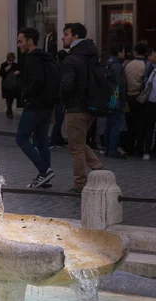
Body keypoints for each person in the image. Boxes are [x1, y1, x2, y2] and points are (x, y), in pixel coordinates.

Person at [60, 22, 104, 193]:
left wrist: (65, 101)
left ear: (75, 37)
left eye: (66, 34)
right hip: (90, 106)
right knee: (78, 142)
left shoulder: (72, 58)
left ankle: (80, 184)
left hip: (76, 107)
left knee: (76, 147)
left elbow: (67, 85)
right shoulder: (90, 54)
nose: (63, 37)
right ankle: (101, 169)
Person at [16, 27, 56, 189]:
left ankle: (45, 169)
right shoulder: (45, 57)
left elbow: (37, 81)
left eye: (20, 41)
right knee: (41, 141)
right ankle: (45, 176)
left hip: (34, 106)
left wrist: (25, 93)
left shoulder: (32, 58)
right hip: (47, 106)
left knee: (21, 138)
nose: (18, 45)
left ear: (29, 41)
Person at [101, 44, 127, 159]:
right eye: (123, 51)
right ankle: (112, 148)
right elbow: (120, 83)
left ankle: (107, 148)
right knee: (116, 124)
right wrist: (123, 97)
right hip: (115, 97)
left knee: (109, 123)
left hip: (109, 97)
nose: (124, 53)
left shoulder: (108, 63)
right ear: (119, 52)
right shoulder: (117, 66)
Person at [124, 42, 148, 154]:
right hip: (140, 98)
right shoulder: (147, 65)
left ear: (135, 52)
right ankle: (139, 148)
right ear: (147, 53)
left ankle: (129, 146)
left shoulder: (128, 64)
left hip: (129, 98)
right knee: (141, 124)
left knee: (130, 124)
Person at [136, 48, 156, 161]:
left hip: (150, 103)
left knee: (149, 128)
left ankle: (147, 151)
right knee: (149, 128)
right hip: (152, 104)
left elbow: (147, 84)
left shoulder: (153, 71)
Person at [50, 50, 68, 147]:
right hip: (60, 96)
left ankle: (58, 137)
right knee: (59, 118)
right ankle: (54, 138)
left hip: (57, 95)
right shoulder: (62, 67)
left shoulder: (55, 66)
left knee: (59, 117)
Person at [0, 52, 20, 119]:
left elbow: (20, 73)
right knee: (8, 98)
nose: (11, 62)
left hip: (13, 85)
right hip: (6, 85)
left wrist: (17, 73)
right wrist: (5, 70)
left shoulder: (15, 65)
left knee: (11, 98)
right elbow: (0, 74)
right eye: (9, 60)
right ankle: (10, 112)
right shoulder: (3, 65)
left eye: (12, 60)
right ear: (7, 59)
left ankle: (8, 111)